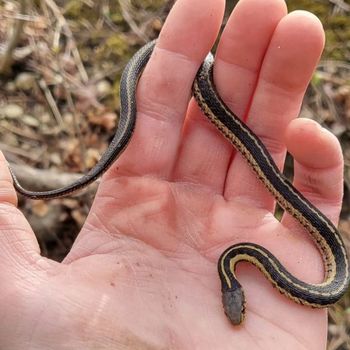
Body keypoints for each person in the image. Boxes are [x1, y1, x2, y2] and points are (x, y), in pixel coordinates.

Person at [0, 0, 344, 348]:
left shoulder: (244, 261)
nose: (236, 316)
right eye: (236, 311)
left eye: (234, 311)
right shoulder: (235, 261)